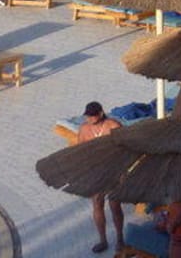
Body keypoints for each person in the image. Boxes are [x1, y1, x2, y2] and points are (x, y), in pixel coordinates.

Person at [76, 102, 124, 252]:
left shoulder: (113, 126)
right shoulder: (84, 129)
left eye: (92, 116)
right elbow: (79, 151)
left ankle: (120, 239)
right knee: (97, 205)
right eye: (87, 116)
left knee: (115, 206)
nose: (89, 119)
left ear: (101, 114)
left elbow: (125, 148)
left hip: (113, 170)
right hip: (95, 172)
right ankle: (103, 240)